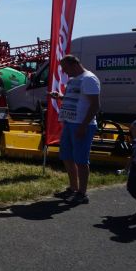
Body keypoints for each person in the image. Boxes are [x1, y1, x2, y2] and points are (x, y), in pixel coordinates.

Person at [51, 54, 101, 205]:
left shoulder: (89, 79)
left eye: (65, 68)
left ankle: (82, 192)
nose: (64, 72)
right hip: (69, 123)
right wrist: (60, 97)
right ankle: (73, 188)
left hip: (81, 124)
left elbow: (95, 105)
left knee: (80, 159)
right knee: (67, 156)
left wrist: (83, 125)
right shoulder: (73, 80)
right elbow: (77, 98)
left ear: (74, 65)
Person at [127, 120, 136, 223]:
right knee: (131, 187)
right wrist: (127, 166)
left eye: (133, 129)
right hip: (135, 166)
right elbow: (132, 155)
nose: (131, 131)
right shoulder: (134, 141)